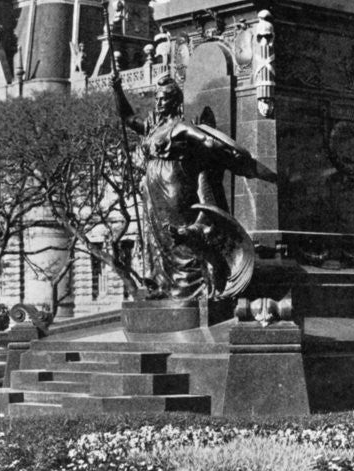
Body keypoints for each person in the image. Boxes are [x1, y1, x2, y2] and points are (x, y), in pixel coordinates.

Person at [111, 73, 273, 304]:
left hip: (173, 188)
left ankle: (195, 289)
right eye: (157, 98)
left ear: (175, 101)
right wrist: (118, 90)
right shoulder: (152, 126)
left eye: (165, 98)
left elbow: (207, 141)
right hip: (152, 193)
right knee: (157, 241)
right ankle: (164, 286)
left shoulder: (180, 126)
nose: (159, 102)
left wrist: (206, 149)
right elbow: (127, 117)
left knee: (178, 238)